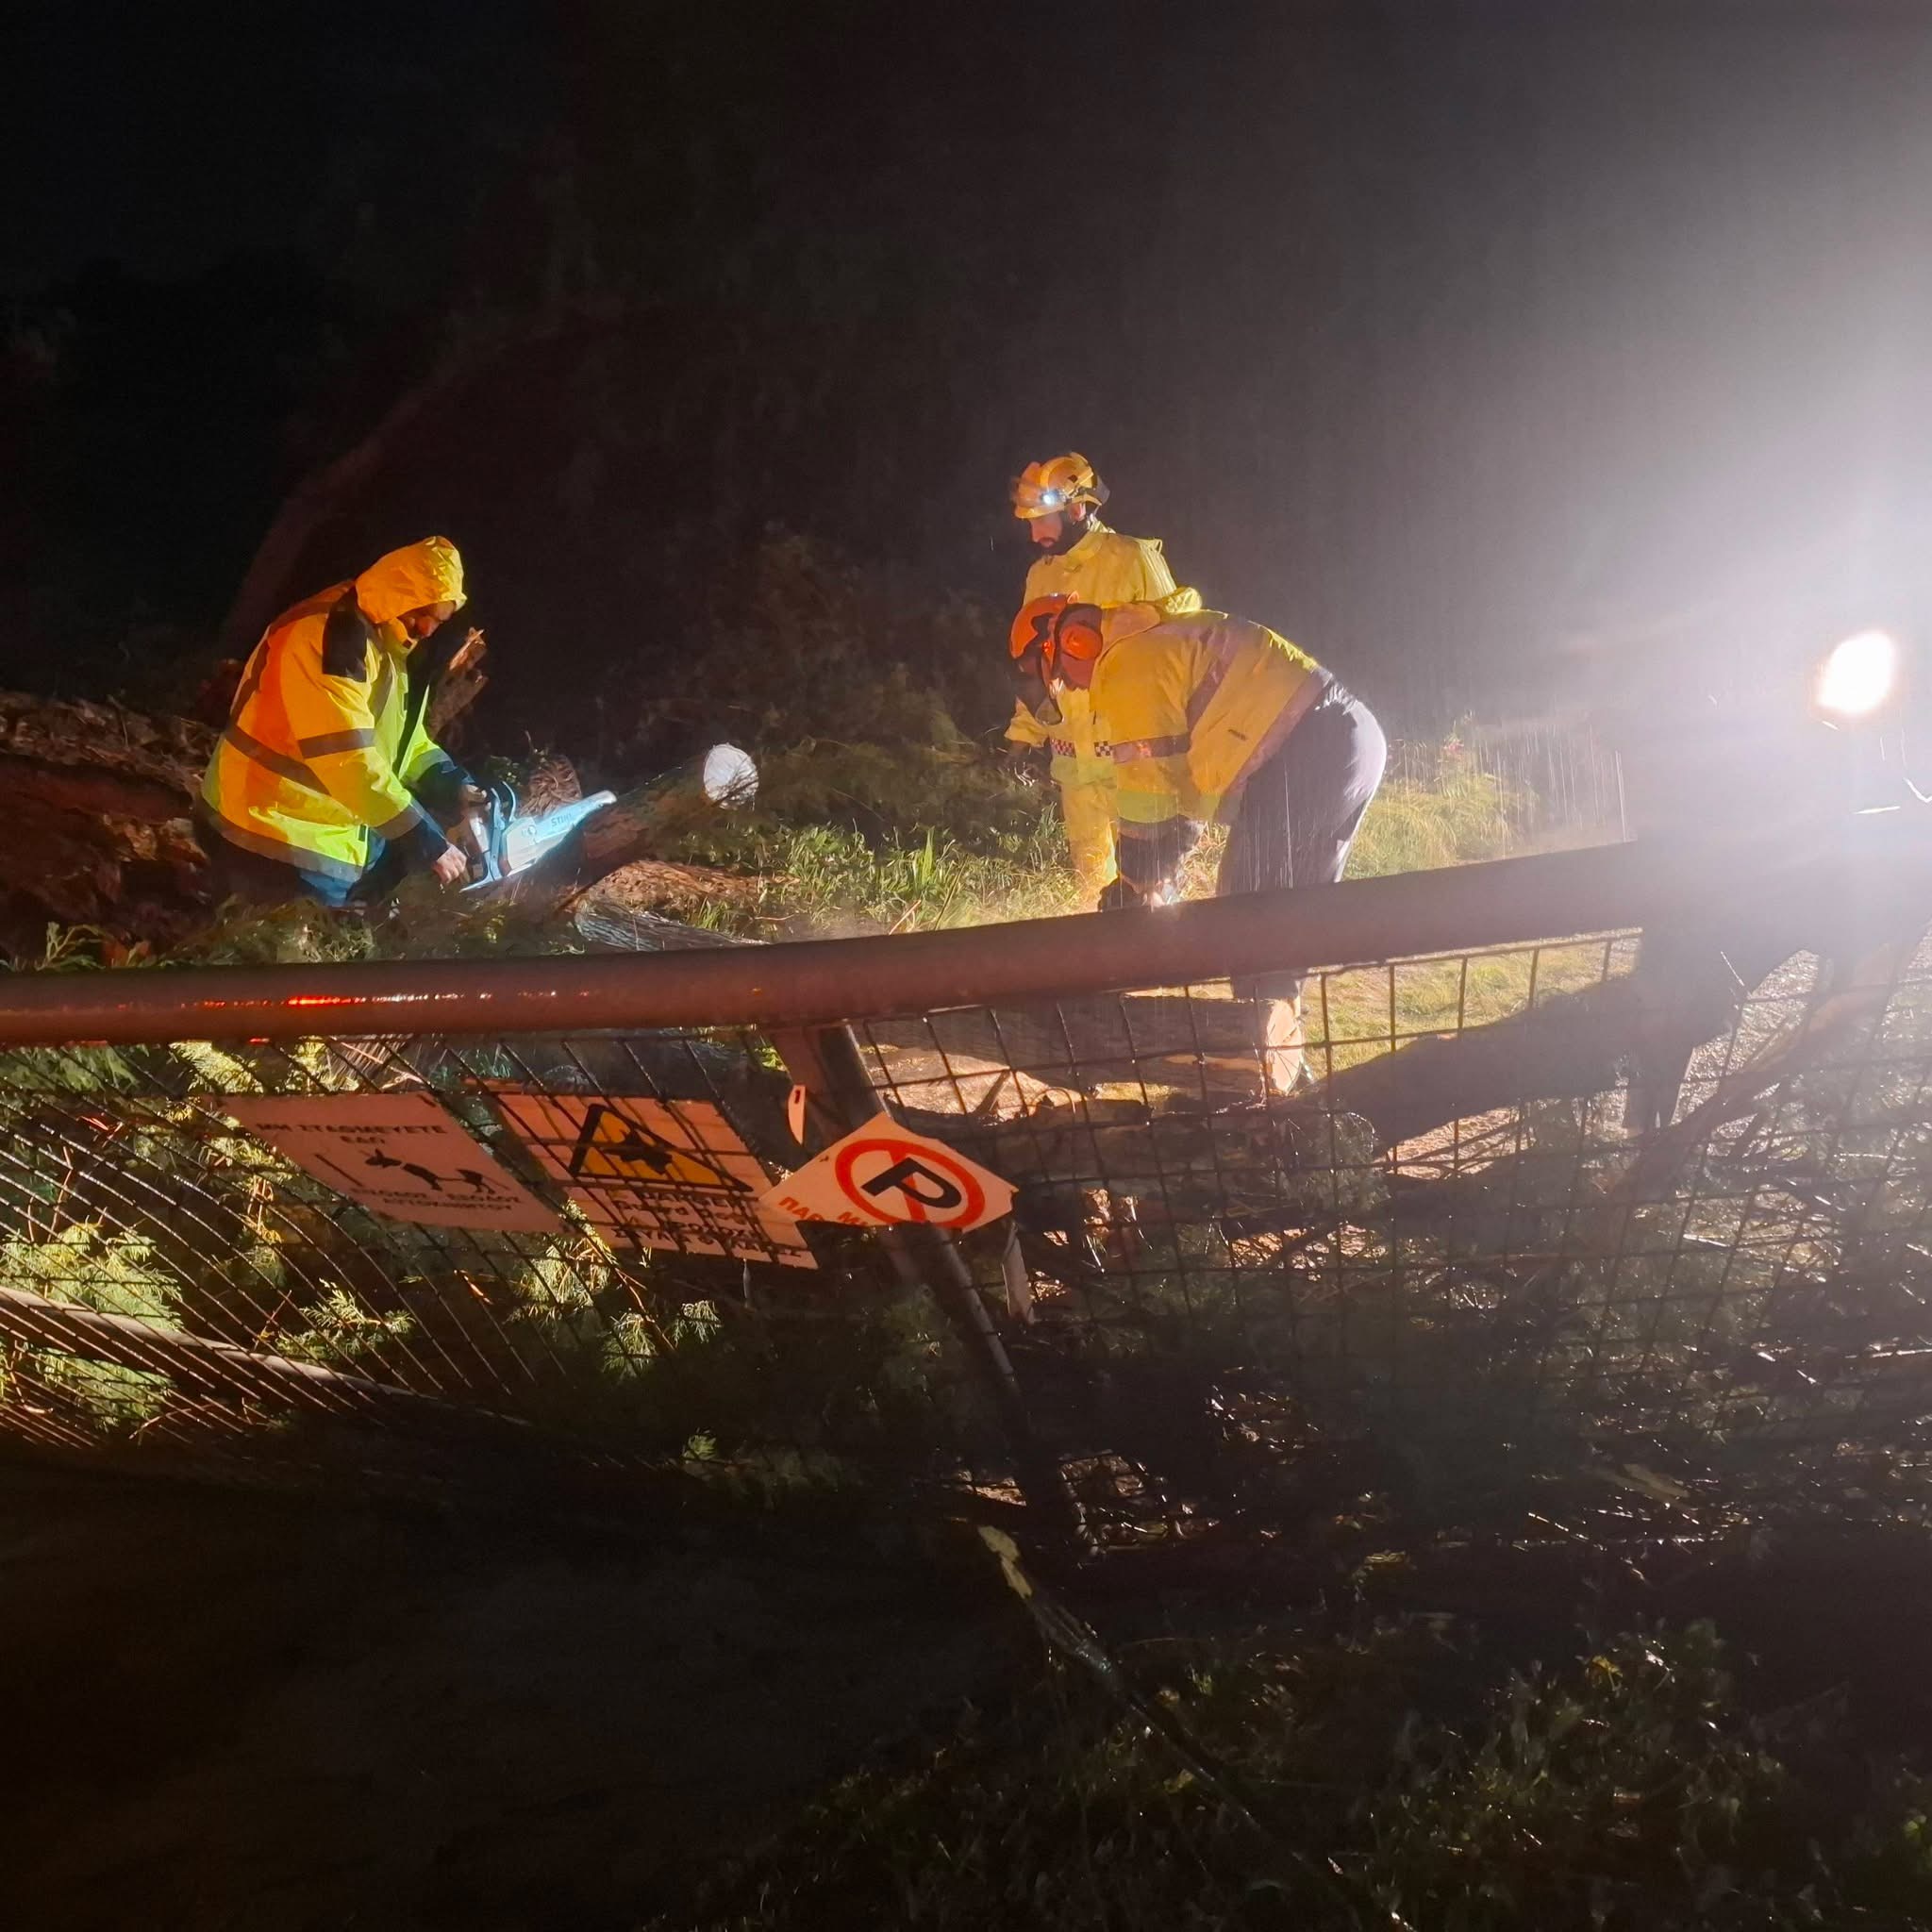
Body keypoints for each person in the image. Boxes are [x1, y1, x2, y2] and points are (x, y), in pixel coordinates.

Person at [1008, 594, 1386, 997]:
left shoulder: (1129, 666)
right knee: (1286, 916)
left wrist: (1135, 877)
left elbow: (1148, 787)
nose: (1072, 687)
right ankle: (1275, 1027)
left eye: (1061, 676)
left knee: (1247, 912)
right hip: (1347, 741)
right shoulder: (1153, 640)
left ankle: (1258, 1026)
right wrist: (1159, 869)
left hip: (1310, 748)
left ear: (1074, 641)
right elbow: (1185, 788)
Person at [198, 536, 483, 908]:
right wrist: (425, 840)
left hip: (312, 838)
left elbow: (400, 740)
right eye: (423, 613)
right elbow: (347, 759)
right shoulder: (330, 638)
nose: (428, 629)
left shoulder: (383, 643)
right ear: (399, 594)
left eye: (438, 621)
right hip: (269, 835)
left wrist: (452, 783)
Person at [1005, 454, 1199, 902]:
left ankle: (1168, 942)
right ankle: (1105, 946)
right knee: (1091, 881)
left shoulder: (1132, 557)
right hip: (1074, 764)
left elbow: (1176, 643)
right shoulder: (1040, 575)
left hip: (1133, 755)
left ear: (1077, 508)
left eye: (1043, 520)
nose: (1035, 535)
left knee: (1148, 879)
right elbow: (1035, 661)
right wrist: (1024, 734)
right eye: (1030, 523)